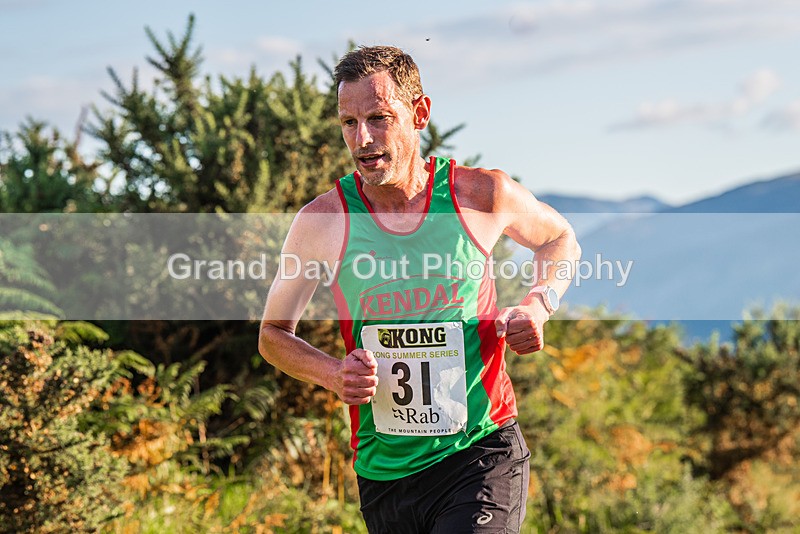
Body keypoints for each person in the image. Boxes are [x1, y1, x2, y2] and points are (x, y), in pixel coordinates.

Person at [259, 45, 581, 533]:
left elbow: (560, 239)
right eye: (349, 122)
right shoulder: (323, 221)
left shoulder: (480, 195)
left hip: (479, 452)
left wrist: (538, 304)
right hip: (385, 474)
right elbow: (273, 335)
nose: (363, 139)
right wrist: (332, 374)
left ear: (420, 113)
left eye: (379, 118)